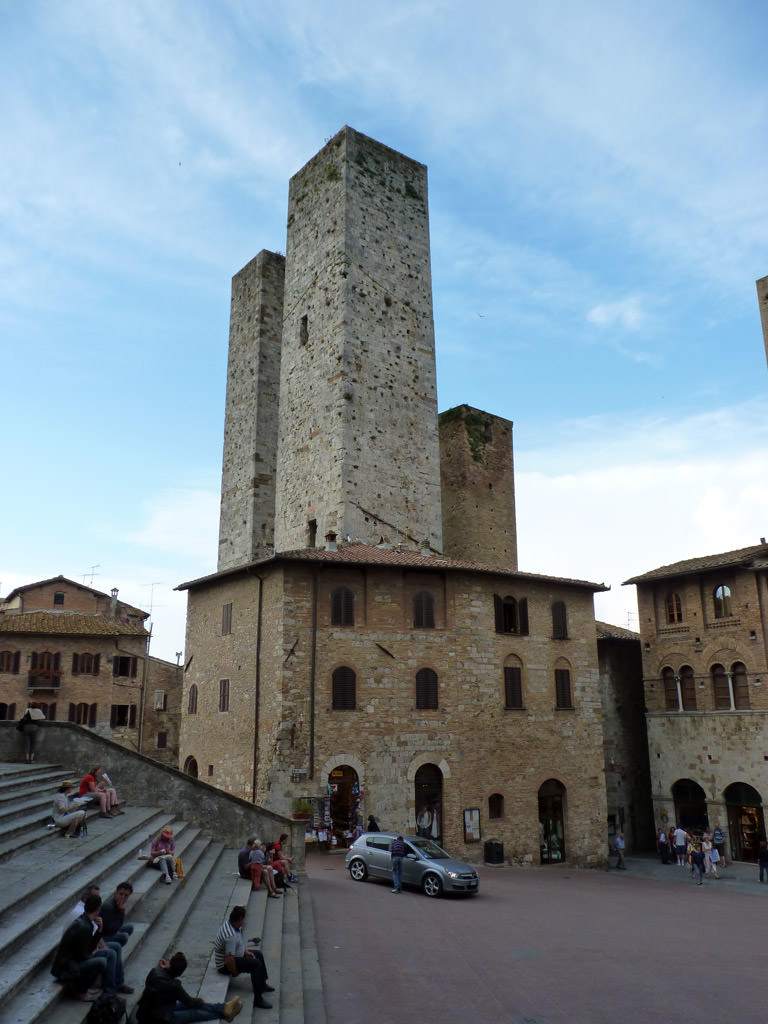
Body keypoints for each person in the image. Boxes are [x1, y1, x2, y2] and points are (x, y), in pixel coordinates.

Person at [136, 951, 243, 1023]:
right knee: (194, 1012)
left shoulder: (155, 972)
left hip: (147, 1012)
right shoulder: (174, 985)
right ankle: (224, 1013)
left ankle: (224, 1007)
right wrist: (200, 1001)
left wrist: (164, 968)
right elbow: (189, 1002)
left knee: (191, 1005)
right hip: (159, 1019)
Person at [64, 885, 133, 995]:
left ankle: (117, 984)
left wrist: (99, 936)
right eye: (95, 898)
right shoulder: (81, 916)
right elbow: (81, 949)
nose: (99, 902)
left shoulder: (88, 914)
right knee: (109, 954)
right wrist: (96, 949)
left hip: (85, 950)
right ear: (86, 899)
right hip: (73, 960)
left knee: (114, 947)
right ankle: (110, 992)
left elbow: (93, 936)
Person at [51, 893, 109, 1001]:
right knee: (101, 962)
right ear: (98, 909)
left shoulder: (84, 921)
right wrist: (93, 952)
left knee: (105, 954)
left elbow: (87, 948)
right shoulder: (84, 926)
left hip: (70, 963)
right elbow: (84, 955)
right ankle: (81, 991)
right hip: (66, 969)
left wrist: (99, 931)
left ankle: (86, 988)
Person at [213, 906, 274, 1010]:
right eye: (244, 918)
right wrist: (234, 971)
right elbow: (229, 959)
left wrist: (245, 951)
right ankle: (258, 999)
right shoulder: (230, 935)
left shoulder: (232, 924)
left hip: (235, 956)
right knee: (256, 964)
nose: (244, 921)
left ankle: (262, 984)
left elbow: (238, 943)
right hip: (225, 965)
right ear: (240, 919)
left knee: (258, 954)